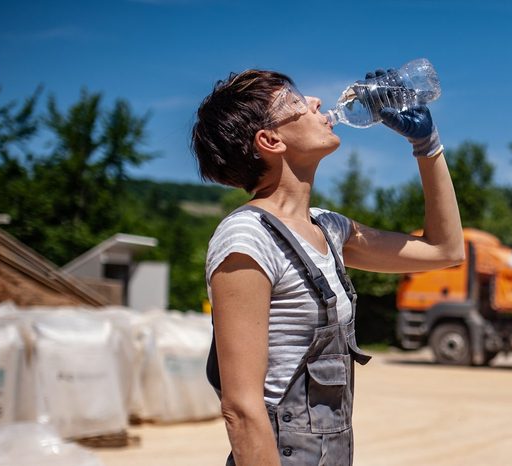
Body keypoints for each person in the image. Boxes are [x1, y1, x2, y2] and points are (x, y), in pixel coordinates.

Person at [192, 68, 464, 465]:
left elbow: (444, 249)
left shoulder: (330, 228)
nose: (317, 102)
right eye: (297, 102)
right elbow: (242, 409)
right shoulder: (247, 239)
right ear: (270, 140)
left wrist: (426, 145)